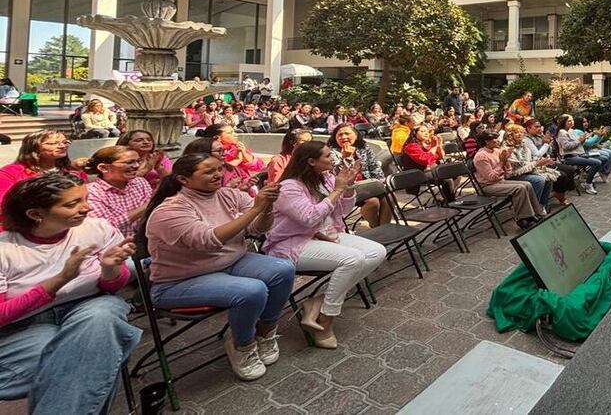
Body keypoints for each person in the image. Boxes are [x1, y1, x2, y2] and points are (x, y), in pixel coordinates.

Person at [141, 153, 295, 380]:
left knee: (283, 270)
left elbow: (257, 229)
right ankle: (242, 344)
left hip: (231, 262)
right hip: (181, 281)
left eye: (219, 169)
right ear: (183, 179)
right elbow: (206, 241)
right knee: (252, 290)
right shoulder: (170, 210)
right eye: (208, 171)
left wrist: (267, 208)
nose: (217, 175)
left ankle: (265, 331)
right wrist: (255, 208)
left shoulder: (229, 195)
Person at [0, 174, 140, 413]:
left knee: (102, 317)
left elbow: (112, 287)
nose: (87, 207)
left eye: (84, 198)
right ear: (35, 214)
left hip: (90, 307)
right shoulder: (6, 248)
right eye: (72, 203)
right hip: (26, 326)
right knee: (97, 353)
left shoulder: (96, 229)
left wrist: (109, 267)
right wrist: (59, 280)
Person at [266, 142, 386, 348]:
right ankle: (326, 319)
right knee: (352, 259)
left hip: (327, 234)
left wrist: (347, 190)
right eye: (328, 156)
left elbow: (342, 211)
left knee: (377, 251)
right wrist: (337, 190)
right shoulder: (289, 187)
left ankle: (318, 303)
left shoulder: (327, 178)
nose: (333, 159)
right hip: (293, 243)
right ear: (311, 161)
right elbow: (309, 219)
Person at [0, 131, 88, 225]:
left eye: (65, 142)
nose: (62, 146)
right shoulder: (10, 172)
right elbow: (3, 207)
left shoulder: (73, 173)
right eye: (53, 143)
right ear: (33, 147)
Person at [471, 132, 544, 230]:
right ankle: (523, 219)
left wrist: (506, 162)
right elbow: (491, 177)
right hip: (486, 186)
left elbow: (508, 173)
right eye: (495, 139)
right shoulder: (481, 156)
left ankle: (535, 213)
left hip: (500, 181)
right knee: (519, 188)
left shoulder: (497, 151)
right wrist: (501, 162)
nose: (498, 141)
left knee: (527, 184)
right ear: (487, 142)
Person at [328, 124, 392, 227]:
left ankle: (384, 228)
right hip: (347, 190)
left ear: (356, 135)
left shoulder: (363, 147)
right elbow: (338, 175)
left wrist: (381, 182)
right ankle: (377, 229)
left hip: (368, 185)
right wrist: (345, 158)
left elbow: (374, 166)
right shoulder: (331, 152)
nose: (343, 137)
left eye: (347, 133)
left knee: (388, 197)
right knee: (373, 202)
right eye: (339, 135)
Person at [84, 146, 154, 237]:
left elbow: (149, 216)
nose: (136, 166)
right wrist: (148, 206)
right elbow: (104, 229)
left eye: (138, 161)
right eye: (129, 162)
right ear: (103, 168)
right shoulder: (91, 193)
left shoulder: (140, 182)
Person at [523, 118, 575, 206]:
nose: (539, 128)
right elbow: (537, 154)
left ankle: (560, 191)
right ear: (528, 128)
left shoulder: (539, 136)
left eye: (540, 126)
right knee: (562, 175)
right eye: (536, 127)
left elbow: (548, 152)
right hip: (536, 164)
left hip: (546, 161)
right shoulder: (527, 140)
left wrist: (549, 143)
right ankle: (560, 195)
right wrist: (546, 144)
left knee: (570, 169)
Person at [504, 124, 554, 211]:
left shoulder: (524, 146)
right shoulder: (507, 149)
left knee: (548, 177)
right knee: (539, 180)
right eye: (516, 132)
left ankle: (542, 205)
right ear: (510, 135)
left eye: (521, 132)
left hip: (527, 172)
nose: (519, 134)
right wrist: (536, 164)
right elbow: (515, 171)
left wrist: (543, 161)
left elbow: (530, 160)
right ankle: (533, 207)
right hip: (513, 176)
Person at [555, 114, 603, 195]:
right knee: (597, 163)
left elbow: (579, 144)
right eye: (569, 121)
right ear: (564, 122)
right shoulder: (562, 133)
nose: (572, 122)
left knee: (600, 158)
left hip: (579, 154)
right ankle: (588, 183)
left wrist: (583, 139)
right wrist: (579, 141)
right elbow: (566, 146)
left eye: (572, 120)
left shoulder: (571, 131)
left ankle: (587, 180)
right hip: (569, 157)